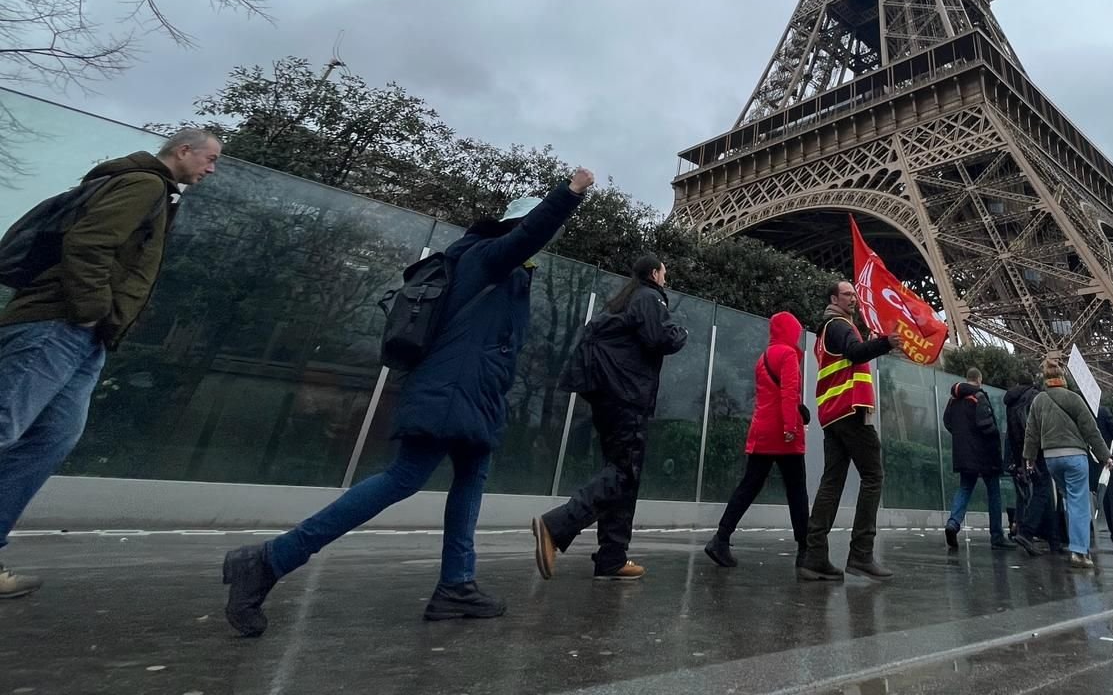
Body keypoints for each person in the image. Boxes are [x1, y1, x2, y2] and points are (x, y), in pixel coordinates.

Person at [222, 171, 593, 635]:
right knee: (404, 477)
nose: (544, 241)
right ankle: (270, 559)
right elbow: (529, 236)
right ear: (516, 227)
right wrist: (569, 194)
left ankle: (456, 584)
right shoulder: (489, 257)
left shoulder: (502, 270)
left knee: (470, 480)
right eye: (538, 230)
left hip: (474, 394)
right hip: (453, 391)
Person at [1, 128, 220, 600]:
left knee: (50, 439)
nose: (211, 169)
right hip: (58, 324)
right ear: (183, 151)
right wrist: (91, 311)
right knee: (7, 425)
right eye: (209, 159)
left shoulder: (150, 189)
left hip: (82, 334)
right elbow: (89, 243)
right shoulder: (144, 183)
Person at [534, 253, 688, 581]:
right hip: (628, 396)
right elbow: (659, 338)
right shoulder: (649, 298)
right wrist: (680, 333)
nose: (666, 278)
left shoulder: (622, 301)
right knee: (623, 473)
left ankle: (612, 556)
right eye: (664, 272)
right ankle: (556, 524)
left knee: (621, 473)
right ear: (654, 273)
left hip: (610, 397)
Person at [796, 279, 900, 581]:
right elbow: (855, 354)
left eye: (854, 293)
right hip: (850, 411)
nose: (853, 298)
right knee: (873, 475)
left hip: (832, 414)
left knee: (832, 482)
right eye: (847, 294)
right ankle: (861, 554)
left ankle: (814, 556)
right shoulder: (839, 325)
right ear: (833, 298)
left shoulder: (825, 330)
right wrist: (885, 342)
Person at [704, 311, 810, 569]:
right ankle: (805, 549)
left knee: (748, 486)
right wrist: (790, 426)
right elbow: (787, 393)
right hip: (783, 434)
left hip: (761, 430)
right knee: (797, 491)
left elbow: (769, 395)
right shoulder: (787, 355)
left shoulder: (762, 358)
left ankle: (721, 537)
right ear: (791, 331)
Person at [1021, 357, 1109, 569]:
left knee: (1071, 500)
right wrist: (1106, 456)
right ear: (1063, 378)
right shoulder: (1074, 399)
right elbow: (1091, 431)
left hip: (1051, 458)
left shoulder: (1039, 400)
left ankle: (1075, 542)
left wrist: (1030, 459)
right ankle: (1079, 552)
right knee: (1079, 502)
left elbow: (1031, 433)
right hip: (1074, 456)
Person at [942, 368, 1013, 552]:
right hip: (984, 453)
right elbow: (987, 426)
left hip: (963, 453)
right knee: (994, 493)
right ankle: (997, 536)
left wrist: (962, 437)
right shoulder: (979, 396)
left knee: (965, 488)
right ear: (979, 379)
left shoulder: (954, 399)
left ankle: (953, 523)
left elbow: (947, 421)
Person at [1007, 375, 1062, 558]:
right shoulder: (1035, 397)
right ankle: (1027, 532)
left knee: (1044, 491)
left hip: (1024, 453)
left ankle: (1054, 540)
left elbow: (1013, 433)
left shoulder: (1012, 401)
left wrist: (1020, 460)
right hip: (1039, 450)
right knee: (1044, 490)